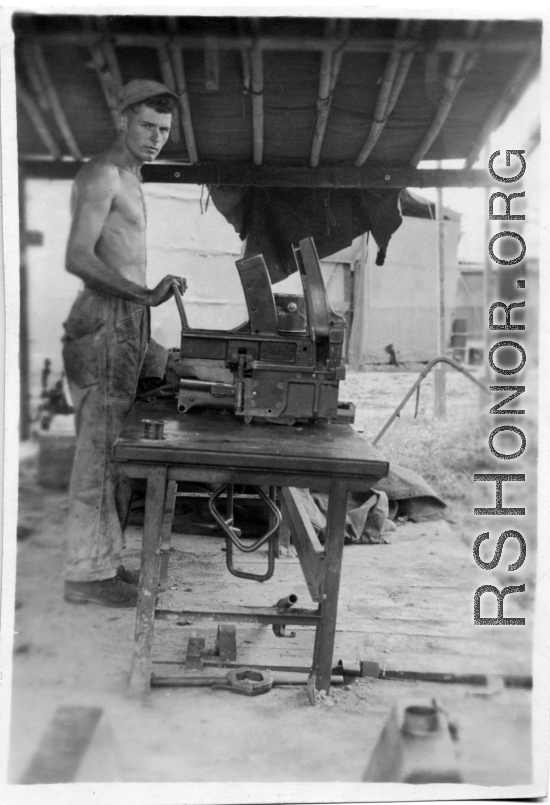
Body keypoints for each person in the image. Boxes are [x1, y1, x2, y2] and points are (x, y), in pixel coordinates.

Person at [62, 79, 184, 607]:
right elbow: (78, 257)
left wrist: (148, 298)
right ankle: (85, 575)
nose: (156, 138)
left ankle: (102, 563)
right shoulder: (103, 174)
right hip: (104, 321)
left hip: (128, 322)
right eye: (147, 126)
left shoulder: (133, 177)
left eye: (163, 130)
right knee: (97, 450)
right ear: (122, 120)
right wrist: (142, 293)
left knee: (116, 446)